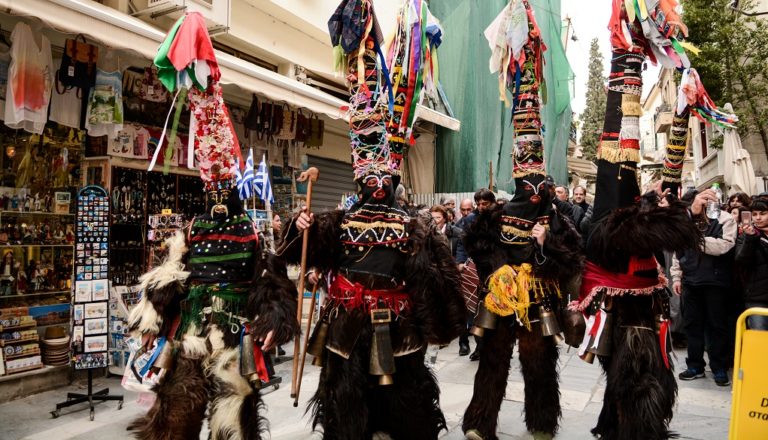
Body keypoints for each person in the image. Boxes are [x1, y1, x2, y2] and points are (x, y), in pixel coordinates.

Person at [281, 2, 466, 437]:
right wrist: (298, 227)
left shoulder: (414, 225)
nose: (380, 184)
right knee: (347, 411)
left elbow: (441, 281)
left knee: (406, 408)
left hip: (399, 328)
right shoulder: (337, 222)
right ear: (360, 177)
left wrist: (438, 306)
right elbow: (297, 254)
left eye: (386, 176)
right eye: (372, 177)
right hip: (347, 327)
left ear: (395, 176)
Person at [126, 23, 299, 438]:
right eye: (213, 187)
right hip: (190, 335)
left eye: (225, 187)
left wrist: (275, 316)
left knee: (234, 425)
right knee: (176, 420)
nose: (219, 193)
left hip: (235, 338)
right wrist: (151, 323)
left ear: (235, 188)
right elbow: (169, 278)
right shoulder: (192, 229)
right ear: (206, 188)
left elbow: (274, 284)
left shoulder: (252, 234)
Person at [462, 4, 583, 438]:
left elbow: (572, 261)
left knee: (539, 364)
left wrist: (546, 244)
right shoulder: (498, 212)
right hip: (501, 296)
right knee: (492, 360)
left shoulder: (554, 214)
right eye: (524, 179)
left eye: (537, 179)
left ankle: (542, 424)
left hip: (540, 300)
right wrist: (498, 272)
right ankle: (479, 423)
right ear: (517, 175)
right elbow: (473, 241)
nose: (531, 186)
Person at [670, 189, 736, 386]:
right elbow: (677, 252)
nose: (705, 203)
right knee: (692, 325)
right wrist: (676, 277)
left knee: (717, 325)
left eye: (709, 199)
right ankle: (695, 365)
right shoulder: (688, 220)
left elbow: (725, 246)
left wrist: (697, 240)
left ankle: (719, 367)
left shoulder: (725, 219)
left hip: (715, 280)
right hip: (690, 280)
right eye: (702, 199)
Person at [735, 194, 768, 330]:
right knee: (758, 340)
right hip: (757, 298)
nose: (758, 217)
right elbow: (741, 260)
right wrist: (750, 238)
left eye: (763, 213)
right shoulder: (745, 236)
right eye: (754, 214)